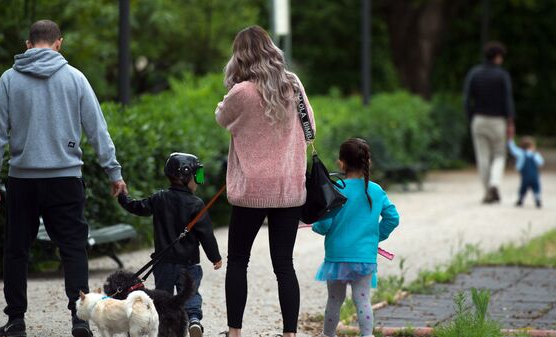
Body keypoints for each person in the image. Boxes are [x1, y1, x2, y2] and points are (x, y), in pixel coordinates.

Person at [0, 20, 127, 337]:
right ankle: (80, 320)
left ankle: (16, 320)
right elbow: (97, 130)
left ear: (27, 44)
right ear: (58, 43)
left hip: (23, 180)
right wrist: (113, 172)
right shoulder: (75, 79)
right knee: (74, 249)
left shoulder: (9, 80)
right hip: (65, 179)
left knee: (16, 250)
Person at [215, 25, 316, 337]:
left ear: (239, 57)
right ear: (272, 51)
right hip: (288, 188)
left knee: (238, 262)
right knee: (284, 265)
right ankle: (289, 334)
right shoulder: (293, 85)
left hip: (251, 190)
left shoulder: (241, 92)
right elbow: (311, 127)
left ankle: (234, 332)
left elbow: (221, 117)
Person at [118, 152, 222, 337]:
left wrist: (123, 197)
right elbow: (206, 235)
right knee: (190, 293)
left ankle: (163, 327)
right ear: (186, 175)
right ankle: (194, 319)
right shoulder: (196, 204)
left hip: (163, 263)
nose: (198, 181)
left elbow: (137, 207)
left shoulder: (159, 198)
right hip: (188, 263)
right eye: (197, 176)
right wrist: (215, 257)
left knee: (163, 297)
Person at [312, 138, 400, 337]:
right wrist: (376, 236)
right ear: (367, 162)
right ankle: (367, 335)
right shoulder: (375, 191)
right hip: (364, 257)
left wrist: (316, 226)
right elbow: (392, 218)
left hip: (337, 257)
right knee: (362, 299)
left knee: (334, 300)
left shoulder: (335, 189)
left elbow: (324, 224)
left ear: (341, 163)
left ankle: (328, 335)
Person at [464, 41, 516, 204]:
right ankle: (494, 183)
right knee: (500, 154)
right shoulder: (502, 75)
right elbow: (507, 100)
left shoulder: (474, 73)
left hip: (479, 119)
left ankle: (488, 192)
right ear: (498, 57)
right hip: (497, 121)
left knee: (483, 157)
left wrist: (471, 117)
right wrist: (510, 121)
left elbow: (467, 99)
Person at [507, 136, 544, 208]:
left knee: (523, 188)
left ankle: (520, 200)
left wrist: (510, 141)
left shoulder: (521, 154)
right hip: (534, 176)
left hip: (525, 176)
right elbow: (541, 162)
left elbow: (513, 150)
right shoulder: (535, 154)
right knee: (536, 188)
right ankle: (537, 199)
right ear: (531, 146)